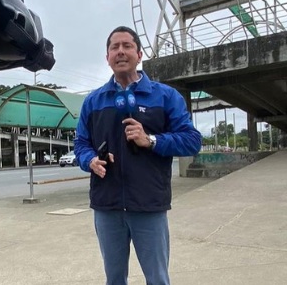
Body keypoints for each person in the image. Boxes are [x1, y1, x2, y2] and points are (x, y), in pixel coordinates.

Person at [74, 26, 202, 285]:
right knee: (114, 279)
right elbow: (81, 143)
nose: (120, 51)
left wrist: (151, 140)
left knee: (157, 279)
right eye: (114, 47)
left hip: (148, 206)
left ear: (139, 54)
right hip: (107, 207)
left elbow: (192, 140)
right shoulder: (93, 101)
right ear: (107, 57)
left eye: (127, 46)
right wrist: (89, 160)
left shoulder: (165, 96)